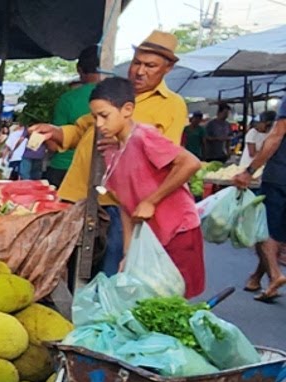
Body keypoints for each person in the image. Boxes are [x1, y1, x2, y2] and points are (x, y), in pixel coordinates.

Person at [30, 30, 188, 277]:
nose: (140, 71)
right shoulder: (116, 91)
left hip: (116, 204)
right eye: (137, 63)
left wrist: (123, 144)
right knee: (70, 267)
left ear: (167, 68)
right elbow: (82, 129)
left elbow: (168, 158)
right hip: (79, 195)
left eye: (150, 66)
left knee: (109, 269)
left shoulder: (172, 105)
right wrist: (55, 131)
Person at [92, 77, 205, 298]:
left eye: (104, 116)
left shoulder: (144, 135)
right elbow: (126, 207)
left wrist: (151, 200)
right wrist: (128, 254)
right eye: (94, 117)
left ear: (127, 109)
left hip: (178, 230)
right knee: (149, 298)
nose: (98, 124)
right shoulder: (112, 152)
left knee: (173, 299)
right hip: (150, 238)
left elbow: (191, 163)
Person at [236, 106, 286, 300]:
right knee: (278, 233)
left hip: (279, 176)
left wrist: (249, 171)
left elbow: (276, 136)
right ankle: (256, 278)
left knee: (262, 228)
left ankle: (275, 275)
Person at [46, 46, 104, 188]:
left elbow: (53, 145)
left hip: (64, 169)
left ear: (79, 69)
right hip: (99, 170)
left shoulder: (67, 99)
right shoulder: (116, 98)